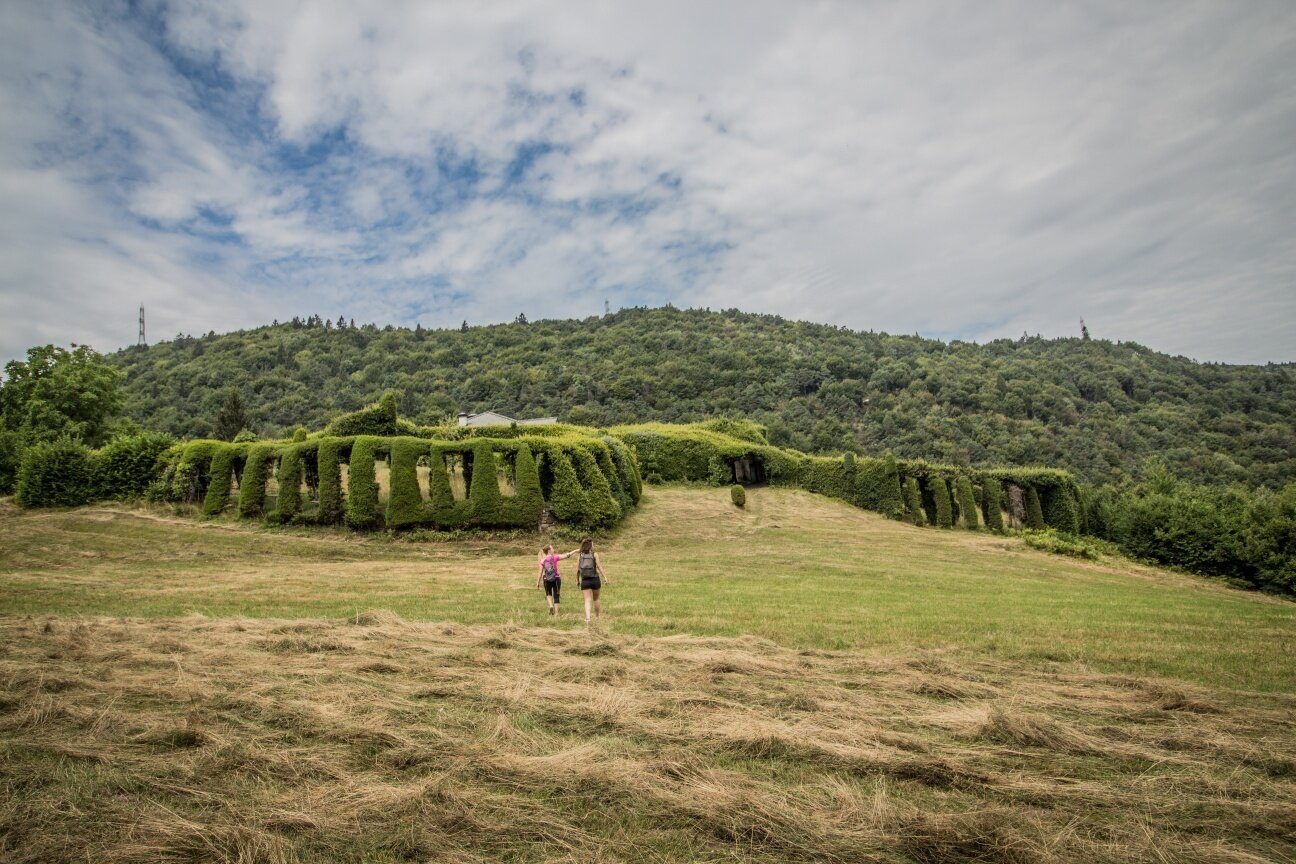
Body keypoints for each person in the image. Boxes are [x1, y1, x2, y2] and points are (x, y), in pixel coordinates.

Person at [576, 538, 610, 625]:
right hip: (595, 579)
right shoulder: (595, 554)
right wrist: (605, 577)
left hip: (585, 580)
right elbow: (599, 566)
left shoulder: (580, 555)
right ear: (591, 546)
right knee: (596, 599)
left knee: (587, 600)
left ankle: (587, 618)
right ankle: (597, 617)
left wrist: (577, 580)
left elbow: (578, 570)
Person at [536, 544, 574, 616]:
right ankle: (557, 613)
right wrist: (575, 551)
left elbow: (540, 572)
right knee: (556, 595)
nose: (553, 550)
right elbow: (566, 555)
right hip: (556, 578)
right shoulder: (555, 557)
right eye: (552, 548)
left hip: (546, 579)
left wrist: (537, 582)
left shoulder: (542, 560)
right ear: (549, 551)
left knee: (548, 593)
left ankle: (551, 605)